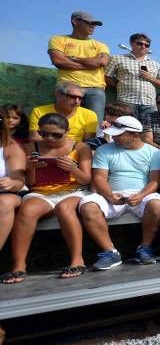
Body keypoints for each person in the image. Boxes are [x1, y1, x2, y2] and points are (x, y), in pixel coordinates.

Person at [2, 113, 92, 283]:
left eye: (56, 135)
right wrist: (32, 168)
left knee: (64, 208)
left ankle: (77, 260)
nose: (49, 138)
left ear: (67, 131)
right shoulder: (30, 147)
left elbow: (86, 179)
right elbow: (29, 183)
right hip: (42, 192)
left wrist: (73, 169)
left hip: (73, 191)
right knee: (27, 210)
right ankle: (19, 266)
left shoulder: (80, 147)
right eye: (44, 134)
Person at [78, 116, 160, 270]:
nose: (113, 137)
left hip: (141, 195)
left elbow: (155, 181)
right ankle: (110, 252)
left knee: (156, 204)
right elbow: (99, 178)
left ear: (134, 134)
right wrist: (110, 195)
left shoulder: (155, 153)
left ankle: (144, 248)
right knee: (88, 207)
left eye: (119, 134)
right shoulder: (103, 149)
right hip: (111, 194)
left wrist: (141, 195)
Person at [47, 11, 110, 123]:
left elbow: (102, 62)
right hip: (67, 87)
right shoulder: (58, 40)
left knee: (94, 124)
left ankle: (92, 141)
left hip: (95, 89)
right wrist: (91, 65)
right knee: (61, 123)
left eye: (95, 24)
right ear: (75, 21)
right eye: (89, 23)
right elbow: (58, 61)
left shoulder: (101, 45)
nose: (93, 26)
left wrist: (75, 58)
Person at [104, 32, 160, 120]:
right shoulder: (117, 58)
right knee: (125, 129)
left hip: (149, 103)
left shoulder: (155, 64)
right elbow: (106, 76)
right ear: (131, 43)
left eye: (147, 45)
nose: (143, 46)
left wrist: (151, 78)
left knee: (148, 132)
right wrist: (118, 85)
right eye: (140, 43)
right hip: (126, 101)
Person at [29, 82, 97, 142]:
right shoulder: (39, 111)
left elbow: (89, 144)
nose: (77, 101)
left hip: (75, 153)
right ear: (58, 95)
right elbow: (35, 138)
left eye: (80, 98)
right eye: (72, 97)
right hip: (44, 150)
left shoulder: (90, 115)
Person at [0, 112, 25, 255]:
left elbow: (19, 182)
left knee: (4, 202)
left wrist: (11, 182)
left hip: (10, 193)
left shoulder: (11, 147)